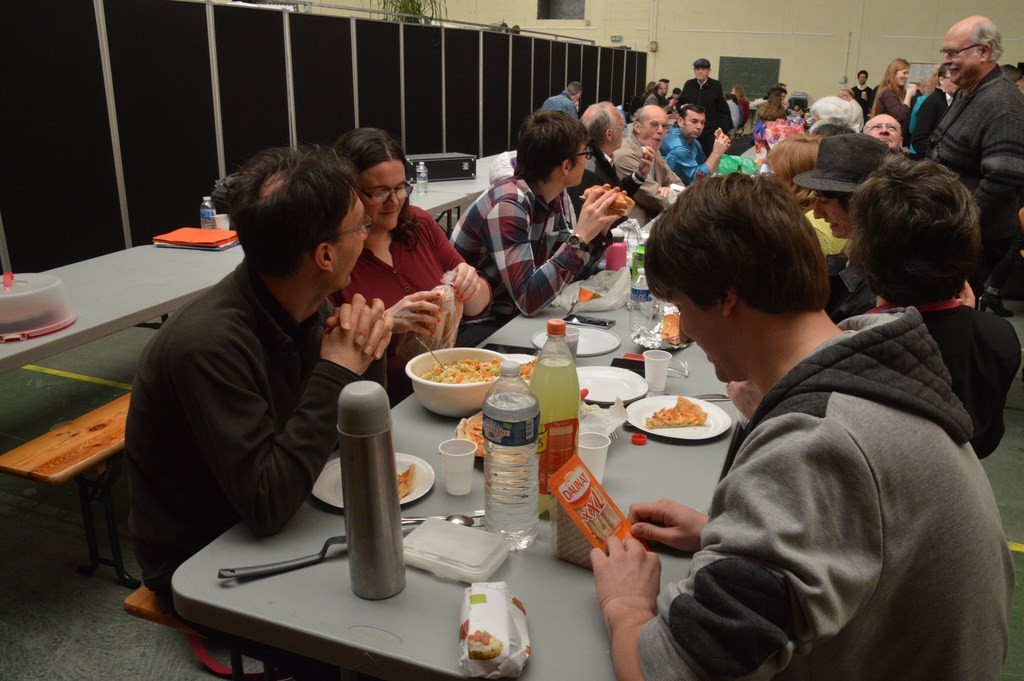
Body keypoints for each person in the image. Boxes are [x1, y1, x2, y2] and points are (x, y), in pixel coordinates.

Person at [590, 171, 1013, 681]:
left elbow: (665, 671)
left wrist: (627, 606)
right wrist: (719, 535)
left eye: (681, 307)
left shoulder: (818, 443)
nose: (686, 329)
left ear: (727, 297)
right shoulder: (867, 368)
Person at [126, 146, 392, 605]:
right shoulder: (208, 345)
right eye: (362, 225)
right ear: (325, 255)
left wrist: (370, 348)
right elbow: (267, 502)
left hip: (285, 511)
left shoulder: (302, 302)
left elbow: (343, 435)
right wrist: (338, 369)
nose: (368, 236)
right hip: (203, 559)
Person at [848, 155, 1021, 458]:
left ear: (864, 252)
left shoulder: (850, 344)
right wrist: (968, 321)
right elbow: (986, 437)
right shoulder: (999, 336)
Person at [331, 128, 492, 403]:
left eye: (400, 188)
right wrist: (388, 321)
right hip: (391, 403)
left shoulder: (420, 225)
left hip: (457, 386)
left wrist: (471, 284)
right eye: (379, 192)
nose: (394, 202)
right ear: (348, 193)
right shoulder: (336, 257)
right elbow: (328, 346)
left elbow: (479, 306)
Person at [451, 110, 620, 322]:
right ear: (566, 166)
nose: (587, 159)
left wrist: (597, 231)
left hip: (513, 321)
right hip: (480, 330)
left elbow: (567, 277)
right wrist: (579, 237)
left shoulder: (549, 197)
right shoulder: (508, 205)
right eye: (584, 153)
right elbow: (528, 300)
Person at [929, 15, 1024, 305]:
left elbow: (1004, 178)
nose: (946, 60)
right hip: (954, 229)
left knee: (954, 311)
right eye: (944, 52)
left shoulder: (1002, 104)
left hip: (971, 237)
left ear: (983, 52)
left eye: (953, 52)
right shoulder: (969, 92)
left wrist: (958, 222)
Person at [793, 134, 889, 322]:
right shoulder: (859, 258)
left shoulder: (874, 294)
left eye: (826, 201)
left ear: (860, 204)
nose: (817, 213)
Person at [567, 101, 653, 218]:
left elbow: (617, 194)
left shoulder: (602, 157)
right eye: (621, 125)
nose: (624, 128)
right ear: (608, 134)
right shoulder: (588, 169)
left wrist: (639, 175)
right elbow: (593, 221)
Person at [765, 134, 847, 256]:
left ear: (797, 178)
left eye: (775, 174)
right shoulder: (826, 212)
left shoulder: (811, 229)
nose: (769, 181)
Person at [614, 104, 683, 223]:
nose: (661, 130)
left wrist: (669, 189)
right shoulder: (624, 155)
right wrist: (671, 191)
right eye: (654, 125)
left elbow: (679, 184)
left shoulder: (654, 152)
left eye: (665, 126)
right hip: (633, 232)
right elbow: (659, 200)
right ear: (637, 127)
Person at [660, 104, 731, 185]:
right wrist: (716, 153)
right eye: (694, 121)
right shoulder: (677, 147)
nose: (699, 127)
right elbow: (698, 180)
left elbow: (706, 168)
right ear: (680, 121)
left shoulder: (693, 141)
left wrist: (720, 152)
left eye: (702, 122)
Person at [680, 59, 731, 157]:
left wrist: (720, 129)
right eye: (697, 69)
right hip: (690, 132)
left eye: (703, 69)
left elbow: (722, 110)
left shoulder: (716, 86)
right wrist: (683, 108)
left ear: (709, 71)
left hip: (709, 132)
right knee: (688, 157)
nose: (700, 71)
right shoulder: (689, 84)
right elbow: (680, 103)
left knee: (707, 159)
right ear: (694, 70)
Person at [909, 64, 956, 159]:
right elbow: (919, 139)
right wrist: (936, 160)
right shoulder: (932, 102)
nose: (957, 82)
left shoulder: (954, 101)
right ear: (941, 80)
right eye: (952, 78)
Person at [870, 58, 916, 142]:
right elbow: (900, 116)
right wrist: (908, 95)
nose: (907, 76)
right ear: (894, 73)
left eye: (908, 73)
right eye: (904, 73)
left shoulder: (890, 91)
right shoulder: (888, 92)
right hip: (886, 138)